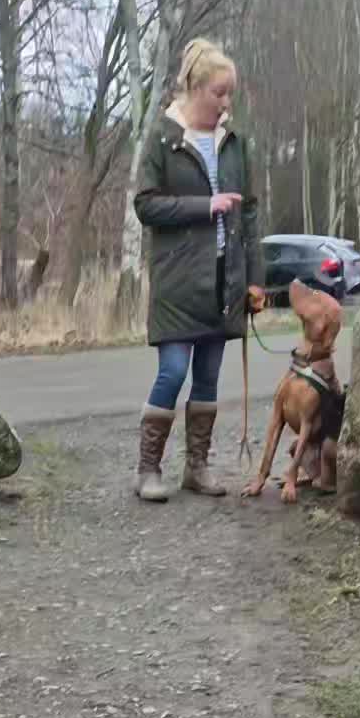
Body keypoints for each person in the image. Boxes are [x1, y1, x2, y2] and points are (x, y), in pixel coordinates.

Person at [133, 37, 265, 503]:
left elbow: (248, 214)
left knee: (208, 376)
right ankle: (148, 469)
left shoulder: (234, 143)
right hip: (178, 279)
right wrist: (203, 205)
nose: (226, 103)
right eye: (219, 93)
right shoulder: (164, 140)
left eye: (229, 93)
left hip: (224, 280)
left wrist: (254, 279)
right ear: (195, 88)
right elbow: (145, 206)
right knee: (173, 371)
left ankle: (197, 467)